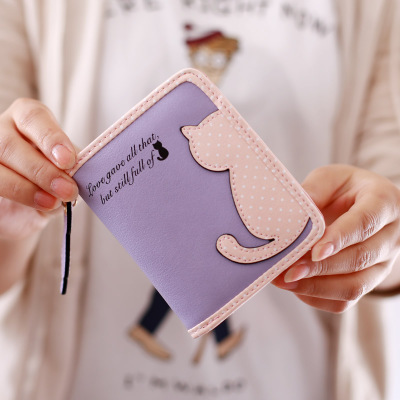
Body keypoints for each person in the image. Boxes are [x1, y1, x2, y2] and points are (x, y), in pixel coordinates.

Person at [1, 0, 400, 399]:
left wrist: (376, 241)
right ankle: (173, 330)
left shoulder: (378, 10)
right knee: (189, 270)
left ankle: (174, 330)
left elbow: (389, 214)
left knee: (194, 269)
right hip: (86, 386)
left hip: (292, 381)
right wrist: (14, 215)